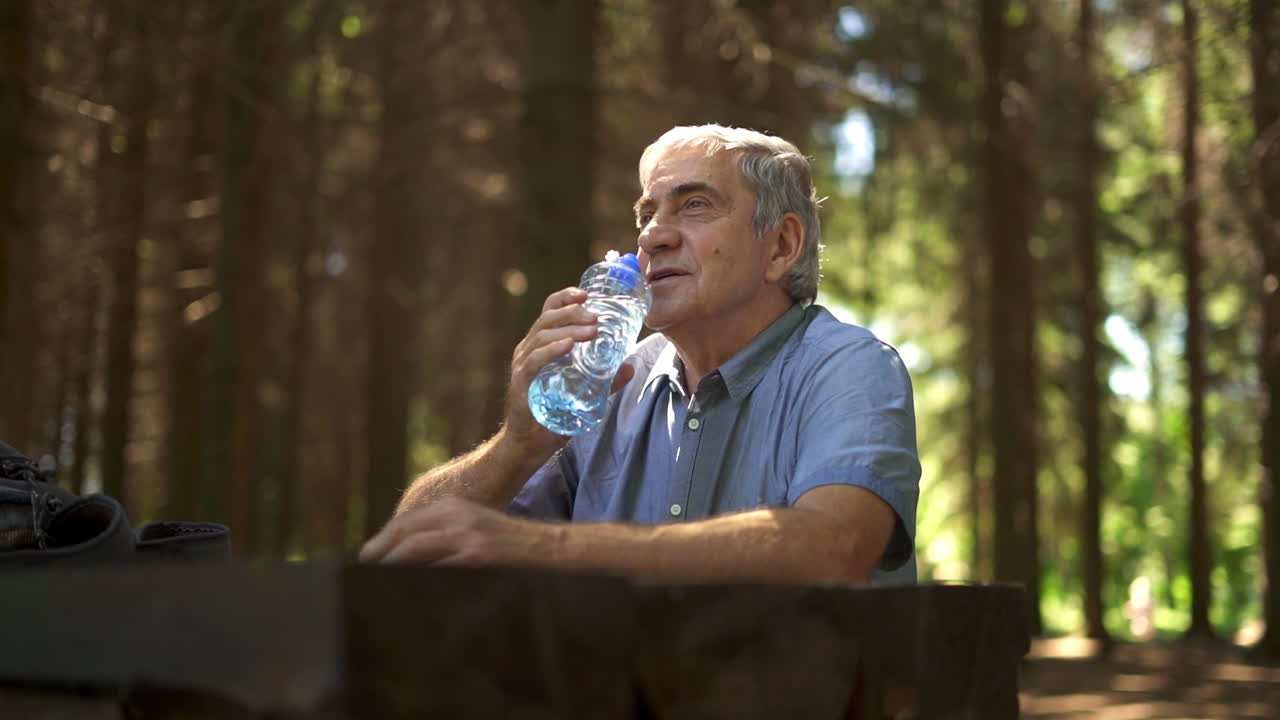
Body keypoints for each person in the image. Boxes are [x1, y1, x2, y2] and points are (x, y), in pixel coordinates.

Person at [360, 124, 920, 584]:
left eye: (694, 205)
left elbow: (835, 546)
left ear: (780, 246)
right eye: (645, 215)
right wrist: (516, 446)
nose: (653, 236)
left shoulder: (849, 368)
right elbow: (405, 555)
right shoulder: (611, 380)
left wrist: (552, 547)